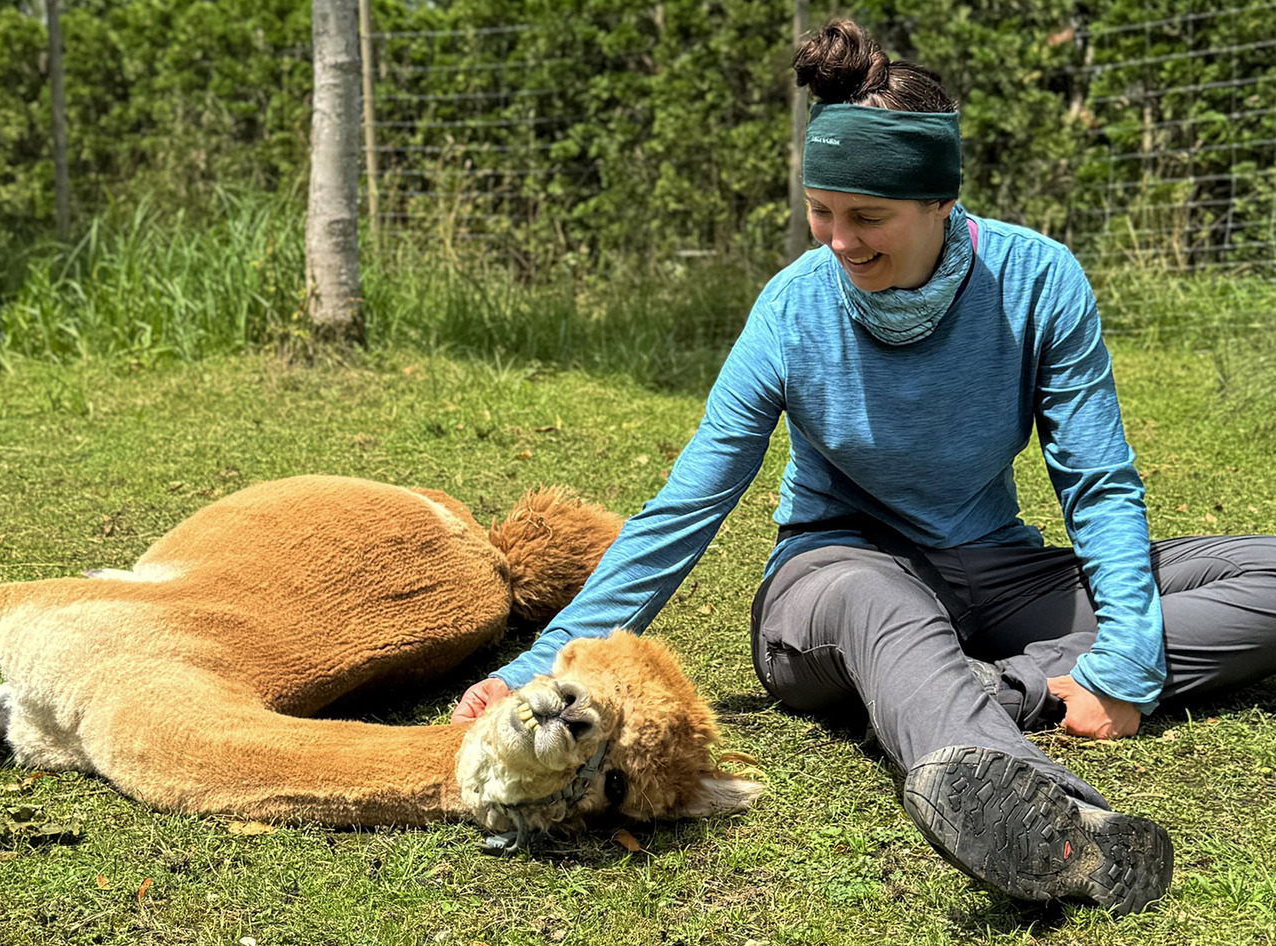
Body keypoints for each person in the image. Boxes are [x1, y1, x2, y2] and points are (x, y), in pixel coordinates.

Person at [450, 19, 1276, 916]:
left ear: (939, 204)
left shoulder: (1039, 280)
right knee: (883, 604)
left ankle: (1004, 686)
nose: (838, 240)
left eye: (868, 217)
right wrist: (538, 661)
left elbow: (1097, 479)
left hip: (994, 576)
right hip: (832, 584)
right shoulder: (792, 308)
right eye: (821, 209)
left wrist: (1124, 662)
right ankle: (1062, 827)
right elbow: (688, 503)